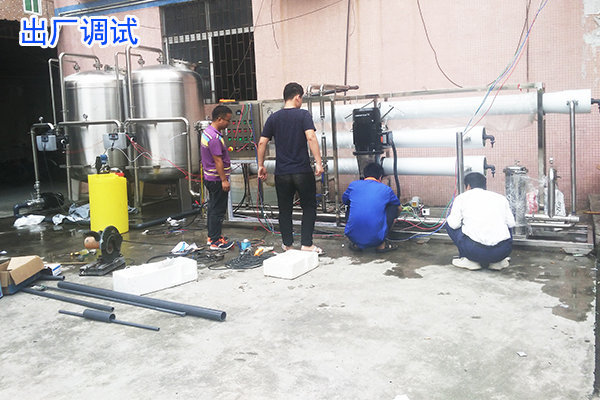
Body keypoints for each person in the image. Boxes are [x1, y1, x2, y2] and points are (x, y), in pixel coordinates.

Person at [257, 82, 324, 254]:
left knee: (284, 209)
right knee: (308, 206)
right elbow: (311, 137)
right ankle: (307, 244)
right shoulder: (303, 115)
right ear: (297, 97)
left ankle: (288, 245)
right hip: (302, 170)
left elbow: (262, 142)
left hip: (282, 173)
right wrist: (318, 162)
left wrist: (261, 165)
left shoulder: (274, 118)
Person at [446, 172, 516, 270]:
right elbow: (511, 223)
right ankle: (497, 262)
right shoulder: (501, 198)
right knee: (507, 226)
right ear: (484, 185)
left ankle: (468, 260)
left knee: (449, 223)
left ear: (468, 186)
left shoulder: (462, 198)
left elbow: (454, 224)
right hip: (501, 251)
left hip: (474, 251)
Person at [342, 162, 401, 253]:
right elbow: (399, 207)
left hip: (352, 237)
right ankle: (381, 245)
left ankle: (356, 244)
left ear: (364, 175)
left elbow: (344, 200)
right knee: (393, 206)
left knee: (350, 203)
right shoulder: (385, 189)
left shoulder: (353, 185)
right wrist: (395, 218)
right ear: (380, 177)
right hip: (377, 238)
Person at [201, 105, 235, 250]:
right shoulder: (214, 138)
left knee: (212, 207)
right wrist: (224, 180)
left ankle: (212, 236)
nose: (229, 123)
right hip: (216, 179)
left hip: (210, 177)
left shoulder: (207, 132)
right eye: (228, 120)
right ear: (219, 119)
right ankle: (216, 241)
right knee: (218, 210)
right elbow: (218, 160)